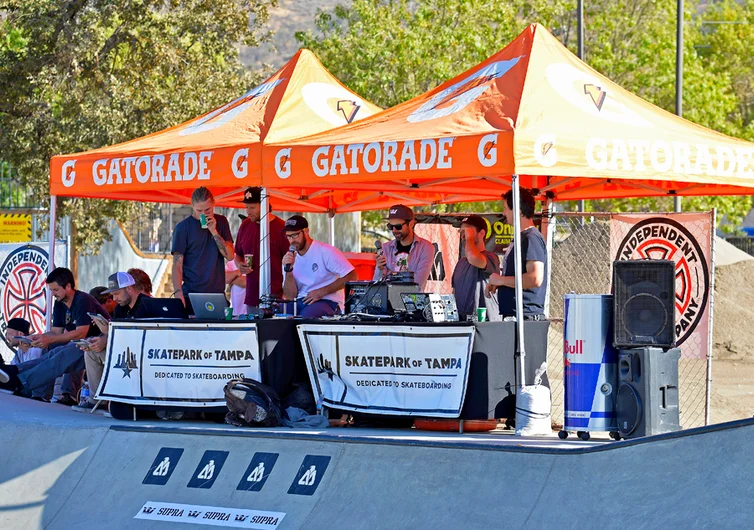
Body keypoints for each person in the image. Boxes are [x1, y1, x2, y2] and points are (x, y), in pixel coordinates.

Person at [0, 267, 110, 403]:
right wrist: (37, 337)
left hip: (97, 345)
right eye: (51, 290)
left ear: (68, 286)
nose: (53, 294)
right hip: (83, 344)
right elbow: (56, 332)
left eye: (56, 290)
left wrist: (50, 338)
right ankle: (15, 374)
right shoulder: (60, 303)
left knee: (60, 355)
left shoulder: (83, 300)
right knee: (51, 350)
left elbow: (81, 332)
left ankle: (19, 383)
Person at [72, 271, 149, 413]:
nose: (114, 298)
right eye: (113, 294)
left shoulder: (146, 305)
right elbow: (117, 333)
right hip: (125, 354)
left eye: (117, 293)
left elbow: (139, 339)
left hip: (140, 359)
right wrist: (101, 339)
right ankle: (97, 400)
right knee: (91, 351)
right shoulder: (121, 308)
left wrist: (108, 334)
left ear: (129, 289)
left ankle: (114, 400)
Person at [486, 189, 548, 320]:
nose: (504, 213)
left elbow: (535, 278)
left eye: (506, 208)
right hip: (516, 316)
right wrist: (502, 283)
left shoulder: (531, 238)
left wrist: (501, 280)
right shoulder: (521, 237)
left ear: (519, 211)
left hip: (526, 316)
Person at [171, 187, 234, 315]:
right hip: (191, 294)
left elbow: (230, 255)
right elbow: (177, 264)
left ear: (213, 204)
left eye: (207, 210)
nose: (203, 214)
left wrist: (214, 231)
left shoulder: (221, 222)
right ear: (192, 206)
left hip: (216, 294)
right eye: (199, 210)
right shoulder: (183, 228)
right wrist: (178, 292)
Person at [282, 215, 358, 318]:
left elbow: (352, 276)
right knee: (278, 315)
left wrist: (320, 292)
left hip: (327, 301)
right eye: (288, 236)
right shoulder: (289, 258)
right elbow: (291, 296)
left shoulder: (326, 251)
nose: (292, 240)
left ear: (306, 231)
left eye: (295, 235)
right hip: (300, 301)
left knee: (306, 318)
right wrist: (289, 271)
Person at [233, 187, 288, 309]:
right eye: (246, 207)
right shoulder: (245, 225)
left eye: (252, 208)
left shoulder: (281, 228)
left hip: (276, 298)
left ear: (265, 205)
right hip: (251, 296)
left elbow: (294, 263)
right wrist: (240, 265)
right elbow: (238, 255)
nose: (248, 211)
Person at [451, 215, 501, 321]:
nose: (463, 236)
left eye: (468, 231)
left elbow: (473, 257)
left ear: (481, 233)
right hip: (462, 323)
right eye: (462, 232)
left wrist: (469, 238)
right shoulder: (461, 263)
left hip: (485, 322)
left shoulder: (491, 257)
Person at [373, 204, 434, 289]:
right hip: (387, 300)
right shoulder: (385, 248)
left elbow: (417, 285)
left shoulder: (425, 247)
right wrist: (379, 269)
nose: (394, 230)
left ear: (411, 224)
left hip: (411, 301)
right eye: (390, 226)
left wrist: (390, 275)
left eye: (398, 226)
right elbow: (376, 286)